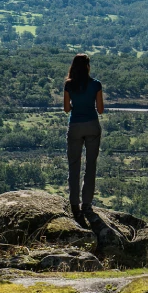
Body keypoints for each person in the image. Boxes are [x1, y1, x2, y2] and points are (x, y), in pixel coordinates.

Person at [63, 53, 103, 228]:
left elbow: (66, 109)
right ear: (87, 66)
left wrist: (76, 106)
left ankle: (74, 205)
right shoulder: (96, 85)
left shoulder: (68, 85)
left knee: (74, 166)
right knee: (91, 166)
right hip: (92, 126)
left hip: (75, 126)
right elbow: (100, 109)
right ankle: (87, 205)